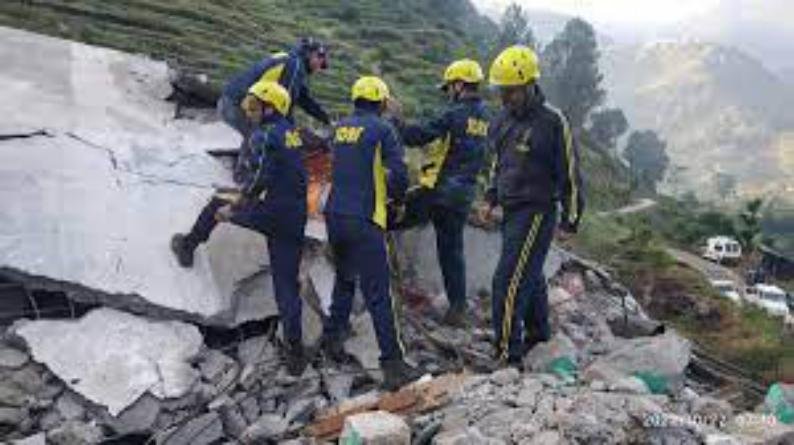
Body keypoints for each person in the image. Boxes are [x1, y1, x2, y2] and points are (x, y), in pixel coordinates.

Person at [171, 80, 309, 375]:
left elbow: (258, 180)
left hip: (271, 210)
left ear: (271, 108)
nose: (249, 111)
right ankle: (296, 353)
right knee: (286, 286)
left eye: (256, 106)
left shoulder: (264, 134)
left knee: (216, 203)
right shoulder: (291, 132)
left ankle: (187, 246)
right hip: (295, 216)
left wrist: (233, 208)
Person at [483, 46, 585, 367]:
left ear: (529, 85)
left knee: (507, 280)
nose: (505, 98)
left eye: (511, 91)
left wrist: (571, 219)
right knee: (530, 272)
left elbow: (570, 172)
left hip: (537, 211)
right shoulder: (502, 120)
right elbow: (498, 162)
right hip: (511, 209)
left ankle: (506, 354)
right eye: (502, 91)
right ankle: (539, 334)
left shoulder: (553, 121)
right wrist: (490, 196)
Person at [320, 76, 422, 390]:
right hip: (365, 218)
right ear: (381, 102)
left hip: (335, 215)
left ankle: (332, 340)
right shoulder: (383, 129)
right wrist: (398, 202)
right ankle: (393, 364)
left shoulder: (339, 128)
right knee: (379, 293)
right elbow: (398, 175)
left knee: (345, 279)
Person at [388, 59, 490, 327]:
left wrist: (396, 123)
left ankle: (381, 287)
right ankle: (457, 308)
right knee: (451, 251)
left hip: (439, 190)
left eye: (449, 87)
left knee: (388, 219)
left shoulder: (454, 113)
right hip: (464, 194)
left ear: (460, 85)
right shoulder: (485, 116)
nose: (448, 93)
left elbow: (418, 136)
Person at [219, 38, 331, 181]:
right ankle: (245, 177)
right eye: (321, 64)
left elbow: (305, 100)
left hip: (232, 100)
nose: (318, 69)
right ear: (313, 55)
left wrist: (325, 118)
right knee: (259, 133)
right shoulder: (294, 66)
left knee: (261, 131)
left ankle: (248, 172)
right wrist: (290, 134)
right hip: (236, 103)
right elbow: (284, 103)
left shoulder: (291, 62)